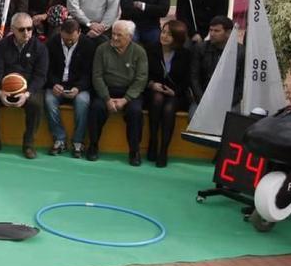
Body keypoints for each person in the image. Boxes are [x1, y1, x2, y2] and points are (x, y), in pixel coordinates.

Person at [0, 13, 48, 158]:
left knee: (36, 104)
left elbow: (41, 77)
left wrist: (27, 93)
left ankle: (29, 144)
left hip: (28, 88)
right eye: (21, 29)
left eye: (29, 29)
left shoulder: (40, 48)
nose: (26, 32)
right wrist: (0, 91)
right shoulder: (2, 46)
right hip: (4, 87)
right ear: (12, 29)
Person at [87, 20, 148, 165]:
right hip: (107, 90)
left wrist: (125, 99)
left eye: (119, 35)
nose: (114, 38)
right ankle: (93, 145)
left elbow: (141, 79)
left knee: (135, 112)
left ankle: (134, 150)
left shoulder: (139, 52)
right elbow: (97, 76)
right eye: (113, 34)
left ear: (130, 37)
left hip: (129, 92)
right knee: (96, 108)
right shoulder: (102, 49)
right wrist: (107, 99)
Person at [43, 19, 94, 157]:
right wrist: (53, 84)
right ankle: (60, 139)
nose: (69, 42)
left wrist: (78, 88)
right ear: (60, 32)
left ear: (79, 33)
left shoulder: (88, 45)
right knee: (49, 100)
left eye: (72, 39)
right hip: (57, 85)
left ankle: (78, 142)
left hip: (79, 87)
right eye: (66, 39)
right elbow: (46, 70)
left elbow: (89, 73)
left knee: (83, 102)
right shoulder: (51, 43)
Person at [146, 20, 191, 168]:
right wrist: (152, 84)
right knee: (157, 100)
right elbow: (143, 73)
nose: (164, 36)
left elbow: (187, 79)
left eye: (169, 34)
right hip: (154, 91)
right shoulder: (151, 49)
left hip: (176, 93)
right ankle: (153, 141)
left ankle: (164, 150)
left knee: (169, 108)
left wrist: (175, 91)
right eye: (163, 32)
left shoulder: (185, 54)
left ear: (177, 38)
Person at [190, 15, 244, 115]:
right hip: (203, 98)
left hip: (229, 100)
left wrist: (227, 103)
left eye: (216, 31)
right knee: (194, 116)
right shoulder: (200, 48)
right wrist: (203, 100)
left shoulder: (240, 52)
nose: (212, 34)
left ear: (228, 33)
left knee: (232, 121)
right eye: (211, 30)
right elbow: (194, 78)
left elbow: (241, 84)